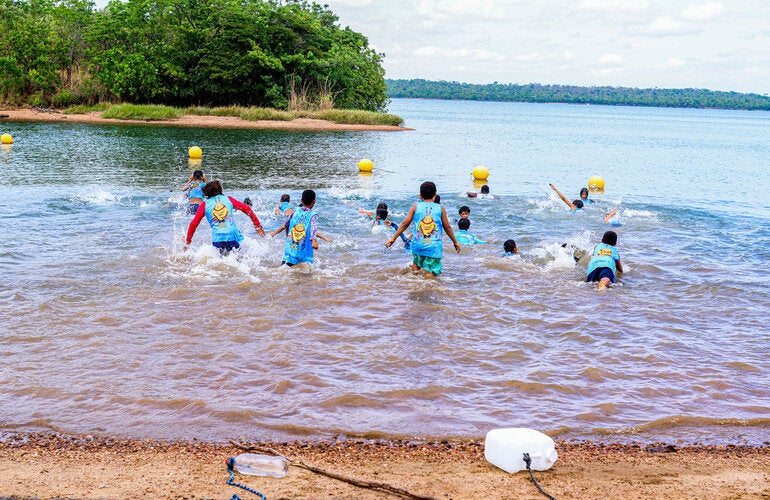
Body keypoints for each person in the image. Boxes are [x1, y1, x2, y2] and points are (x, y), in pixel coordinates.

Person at [386, 181, 461, 276]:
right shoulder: (440, 208)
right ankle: (426, 285)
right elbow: (447, 227)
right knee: (430, 274)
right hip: (433, 247)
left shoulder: (415, 207)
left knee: (416, 268)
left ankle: (413, 282)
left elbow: (405, 224)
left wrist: (393, 238)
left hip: (417, 244)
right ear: (435, 194)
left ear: (420, 195)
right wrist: (455, 242)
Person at [185, 180, 265, 255]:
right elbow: (247, 209)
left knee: (219, 260)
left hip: (217, 237)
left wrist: (188, 242)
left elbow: (193, 223)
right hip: (232, 235)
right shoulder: (228, 199)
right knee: (235, 259)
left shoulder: (205, 204)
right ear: (220, 190)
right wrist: (257, 226)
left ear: (206, 193)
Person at [280, 189, 322, 266]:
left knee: (285, 268)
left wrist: (287, 234)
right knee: (305, 271)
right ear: (314, 201)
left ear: (301, 200)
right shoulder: (313, 214)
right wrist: (314, 241)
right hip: (304, 254)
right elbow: (313, 228)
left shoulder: (295, 211)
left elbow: (286, 224)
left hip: (289, 252)